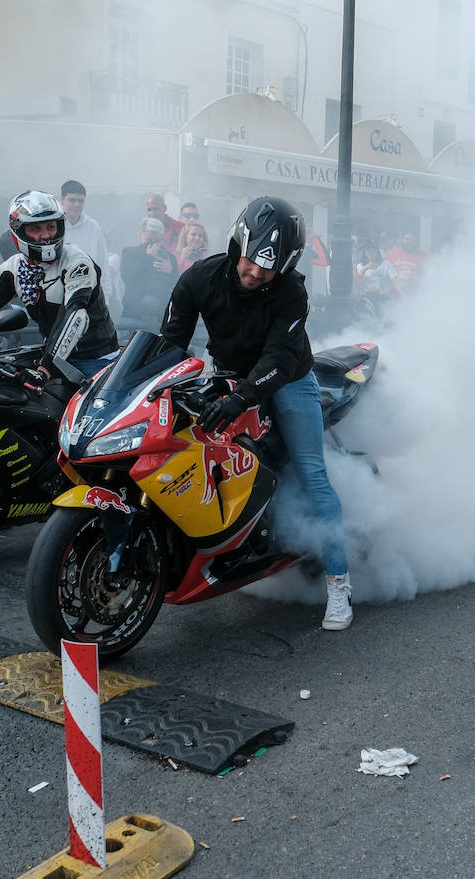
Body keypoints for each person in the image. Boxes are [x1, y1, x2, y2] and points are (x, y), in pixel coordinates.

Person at [159, 196, 354, 631]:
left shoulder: (292, 292)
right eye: (251, 261)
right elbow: (171, 340)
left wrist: (239, 399)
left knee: (311, 471)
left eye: (268, 267)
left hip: (287, 378)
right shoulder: (200, 277)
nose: (256, 273)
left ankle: (339, 583)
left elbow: (279, 357)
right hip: (227, 373)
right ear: (237, 245)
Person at [0, 191, 118, 381]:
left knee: (86, 411)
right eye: (35, 229)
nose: (45, 235)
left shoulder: (76, 261)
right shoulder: (12, 269)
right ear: (18, 231)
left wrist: (45, 369)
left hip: (95, 362)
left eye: (51, 226)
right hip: (52, 357)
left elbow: (74, 316)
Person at [59, 180, 118, 313]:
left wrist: (106, 298)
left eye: (80, 201)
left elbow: (103, 264)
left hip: (91, 298)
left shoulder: (93, 227)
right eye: (72, 200)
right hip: (60, 298)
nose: (76, 205)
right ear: (62, 200)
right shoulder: (54, 227)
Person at [119, 217, 178, 325]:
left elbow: (177, 286)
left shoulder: (169, 258)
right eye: (148, 241)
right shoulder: (130, 253)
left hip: (160, 318)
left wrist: (171, 272)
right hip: (133, 316)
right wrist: (148, 257)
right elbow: (128, 276)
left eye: (157, 241)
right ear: (140, 235)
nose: (153, 245)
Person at [383, 230, 429, 298]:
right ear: (402, 239)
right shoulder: (390, 254)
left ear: (417, 241)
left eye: (413, 240)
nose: (410, 242)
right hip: (393, 299)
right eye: (407, 239)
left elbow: (429, 279)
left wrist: (415, 278)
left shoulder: (424, 256)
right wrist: (397, 277)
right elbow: (383, 278)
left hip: (414, 299)